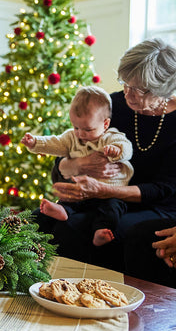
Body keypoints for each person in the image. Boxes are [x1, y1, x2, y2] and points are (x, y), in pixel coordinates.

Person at [39, 38, 176, 280]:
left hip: (157, 206)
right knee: (58, 222)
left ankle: (110, 304)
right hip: (105, 198)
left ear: (164, 88)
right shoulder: (113, 105)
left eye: (139, 89)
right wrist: (75, 165)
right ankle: (62, 293)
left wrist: (102, 190)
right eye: (125, 83)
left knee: (122, 231)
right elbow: (70, 147)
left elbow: (163, 189)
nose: (128, 93)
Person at [21, 86, 133, 247]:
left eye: (88, 129)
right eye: (76, 127)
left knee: (112, 208)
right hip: (81, 191)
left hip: (109, 192)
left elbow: (126, 146)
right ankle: (62, 211)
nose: (80, 134)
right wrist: (35, 143)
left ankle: (101, 231)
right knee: (69, 199)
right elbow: (55, 143)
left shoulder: (110, 137)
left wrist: (117, 150)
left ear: (105, 123)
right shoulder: (72, 137)